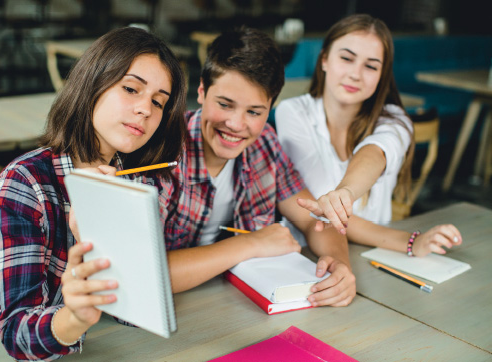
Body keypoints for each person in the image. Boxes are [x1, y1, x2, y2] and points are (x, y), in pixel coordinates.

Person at [0, 26, 187, 361]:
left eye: (158, 102)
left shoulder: (140, 185)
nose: (145, 109)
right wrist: (74, 318)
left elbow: (129, 311)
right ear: (92, 85)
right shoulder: (24, 183)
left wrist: (104, 241)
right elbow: (16, 337)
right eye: (132, 89)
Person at [161, 27, 356, 308]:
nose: (237, 125)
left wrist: (340, 267)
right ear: (202, 90)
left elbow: (314, 222)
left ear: (270, 108)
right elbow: (147, 273)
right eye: (225, 105)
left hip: (237, 306)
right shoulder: (161, 150)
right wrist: (252, 243)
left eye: (254, 112)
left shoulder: (264, 144)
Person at [276, 14, 461, 256]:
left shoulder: (396, 120)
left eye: (371, 66)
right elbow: (323, 212)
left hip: (376, 253)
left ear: (382, 74)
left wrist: (346, 193)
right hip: (307, 254)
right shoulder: (292, 112)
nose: (356, 74)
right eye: (346, 58)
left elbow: (374, 153)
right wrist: (409, 241)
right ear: (324, 60)